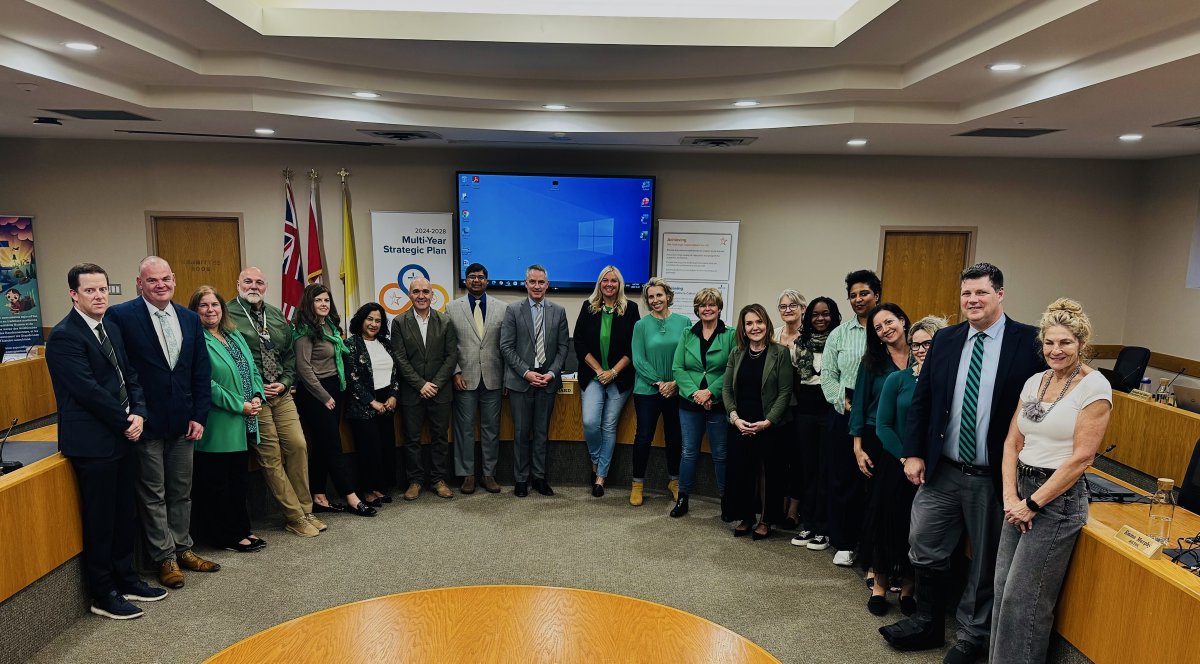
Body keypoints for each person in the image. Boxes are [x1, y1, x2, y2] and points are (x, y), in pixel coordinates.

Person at [881, 263, 1046, 664]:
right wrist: (915, 452)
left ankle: (973, 636)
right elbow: (924, 402)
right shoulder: (947, 339)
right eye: (966, 294)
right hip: (942, 469)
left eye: (981, 293)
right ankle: (928, 621)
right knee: (923, 543)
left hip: (992, 477)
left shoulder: (1028, 343)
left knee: (985, 558)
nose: (972, 301)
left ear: (1000, 294)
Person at [991, 299, 1111, 663]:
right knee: (1001, 590)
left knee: (1024, 599)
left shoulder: (1095, 387)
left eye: (1065, 343)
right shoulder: (1035, 380)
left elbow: (1082, 458)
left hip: (1056, 502)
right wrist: (1011, 495)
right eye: (1049, 343)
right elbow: (1013, 441)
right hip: (1021, 493)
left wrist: (1032, 504)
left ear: (1081, 345)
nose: (1056, 350)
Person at [46, 263, 165, 619]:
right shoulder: (65, 336)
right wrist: (125, 421)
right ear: (73, 295)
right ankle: (103, 593)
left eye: (102, 290)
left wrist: (140, 413)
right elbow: (88, 392)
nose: (99, 296)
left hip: (125, 435)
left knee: (124, 515)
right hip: (93, 443)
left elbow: (130, 375)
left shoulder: (109, 325)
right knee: (101, 520)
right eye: (90, 291)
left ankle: (127, 578)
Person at [105, 256, 217, 589]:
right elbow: (120, 370)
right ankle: (164, 557)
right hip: (145, 422)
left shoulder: (188, 318)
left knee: (181, 491)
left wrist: (199, 415)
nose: (160, 285)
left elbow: (200, 370)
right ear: (140, 283)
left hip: (183, 422)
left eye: (165, 279)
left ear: (175, 279)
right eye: (152, 280)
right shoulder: (121, 316)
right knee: (153, 493)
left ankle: (183, 548)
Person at [227, 267, 322, 537]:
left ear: (265, 286)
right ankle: (294, 516)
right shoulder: (227, 314)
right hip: (254, 398)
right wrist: (258, 387)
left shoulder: (276, 314)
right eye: (247, 281)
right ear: (238, 284)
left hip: (281, 394)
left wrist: (286, 381)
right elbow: (234, 358)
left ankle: (306, 509)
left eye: (259, 282)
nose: (253, 286)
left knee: (298, 446)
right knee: (270, 458)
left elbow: (289, 355)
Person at [873, 315, 948, 616]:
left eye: (928, 343)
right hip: (896, 464)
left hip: (933, 471)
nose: (920, 349)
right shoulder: (897, 380)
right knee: (887, 524)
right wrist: (906, 459)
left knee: (916, 531)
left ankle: (907, 588)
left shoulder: (947, 383)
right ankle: (879, 585)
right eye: (916, 344)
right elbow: (883, 426)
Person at [188, 286, 267, 553]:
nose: (211, 310)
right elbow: (204, 384)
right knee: (218, 484)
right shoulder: (195, 339)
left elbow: (252, 368)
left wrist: (257, 395)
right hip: (219, 422)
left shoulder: (233, 335)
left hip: (245, 419)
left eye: (215, 305)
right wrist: (239, 405)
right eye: (204, 306)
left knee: (237, 481)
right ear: (195, 310)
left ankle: (241, 529)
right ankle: (226, 536)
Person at [849, 303, 911, 616]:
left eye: (890, 322)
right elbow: (859, 403)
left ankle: (902, 570)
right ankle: (876, 567)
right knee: (876, 506)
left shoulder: (922, 355)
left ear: (902, 321)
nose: (885, 329)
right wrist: (858, 446)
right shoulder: (872, 362)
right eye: (878, 327)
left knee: (906, 509)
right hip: (876, 437)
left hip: (910, 438)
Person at [293, 283, 376, 516]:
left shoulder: (329, 326)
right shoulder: (304, 331)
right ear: (309, 303)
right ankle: (351, 496)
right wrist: (324, 396)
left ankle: (319, 495)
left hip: (333, 387)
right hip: (315, 393)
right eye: (318, 300)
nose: (323, 304)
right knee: (333, 445)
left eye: (326, 300)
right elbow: (304, 369)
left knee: (321, 446)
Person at [820, 269, 880, 567]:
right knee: (843, 479)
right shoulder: (839, 334)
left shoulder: (887, 328)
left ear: (876, 295)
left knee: (874, 480)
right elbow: (828, 375)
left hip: (880, 414)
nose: (858, 299)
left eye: (864, 293)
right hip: (845, 411)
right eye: (853, 295)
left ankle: (870, 545)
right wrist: (839, 399)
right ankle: (843, 542)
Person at [723, 303, 793, 539]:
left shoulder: (780, 353)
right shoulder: (736, 352)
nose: (755, 327)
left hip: (769, 426)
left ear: (767, 323)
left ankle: (765, 519)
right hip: (740, 423)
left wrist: (767, 421)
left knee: (767, 474)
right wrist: (734, 418)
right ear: (743, 328)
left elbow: (785, 392)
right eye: (749, 323)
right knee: (742, 471)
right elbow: (726, 390)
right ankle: (746, 517)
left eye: (759, 322)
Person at [499, 264, 569, 498]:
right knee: (520, 433)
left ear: (547, 285)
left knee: (541, 433)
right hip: (522, 381)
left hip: (547, 380)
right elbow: (506, 347)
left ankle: (539, 478)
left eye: (541, 282)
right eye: (532, 282)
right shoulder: (513, 310)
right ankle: (520, 479)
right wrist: (526, 372)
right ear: (525, 283)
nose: (537, 286)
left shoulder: (558, 311)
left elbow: (563, 348)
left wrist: (551, 373)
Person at [670, 287, 737, 518]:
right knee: (688, 452)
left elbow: (732, 369)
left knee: (720, 453)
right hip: (690, 403)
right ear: (697, 309)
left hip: (719, 403)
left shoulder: (730, 334)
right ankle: (683, 499)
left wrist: (710, 392)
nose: (707, 309)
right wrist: (696, 394)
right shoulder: (688, 333)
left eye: (712, 305)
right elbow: (678, 367)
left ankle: (726, 502)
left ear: (719, 308)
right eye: (702, 305)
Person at [391, 277, 459, 500]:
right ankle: (415, 481)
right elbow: (400, 358)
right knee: (412, 438)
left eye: (426, 292)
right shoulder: (399, 322)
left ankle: (439, 480)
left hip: (440, 391)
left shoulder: (445, 321)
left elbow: (451, 357)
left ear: (433, 295)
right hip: (412, 392)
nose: (421, 296)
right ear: (409, 294)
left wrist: (435, 384)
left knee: (440, 437)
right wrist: (421, 384)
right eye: (416, 291)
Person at [574, 266, 640, 497]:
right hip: (593, 374)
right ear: (599, 283)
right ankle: (596, 461)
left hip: (619, 378)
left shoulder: (630, 309)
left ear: (620, 284)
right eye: (605, 280)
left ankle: (600, 477)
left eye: (614, 281)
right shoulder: (588, 307)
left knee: (608, 426)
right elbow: (579, 343)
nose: (609, 284)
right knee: (591, 422)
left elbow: (634, 346)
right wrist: (601, 370)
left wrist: (612, 372)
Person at [446, 263, 506, 494]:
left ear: (487, 280)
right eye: (472, 277)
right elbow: (448, 346)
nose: (477, 280)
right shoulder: (451, 308)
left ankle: (489, 475)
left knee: (492, 429)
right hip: (464, 378)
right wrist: (455, 372)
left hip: (494, 378)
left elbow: (506, 346)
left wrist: (507, 379)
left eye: (481, 277)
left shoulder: (502, 308)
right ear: (466, 280)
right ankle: (467, 475)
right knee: (464, 429)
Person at [629, 277, 690, 506]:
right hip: (647, 390)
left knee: (674, 437)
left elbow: (687, 356)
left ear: (668, 296)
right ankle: (637, 484)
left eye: (659, 295)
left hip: (676, 389)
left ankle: (674, 481)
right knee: (643, 436)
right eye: (651, 296)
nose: (655, 300)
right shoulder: (641, 325)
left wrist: (674, 383)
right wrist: (659, 382)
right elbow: (638, 358)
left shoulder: (684, 322)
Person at [789, 296, 841, 552]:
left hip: (831, 411)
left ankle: (824, 528)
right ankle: (808, 523)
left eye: (826, 313)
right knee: (807, 469)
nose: (820, 318)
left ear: (834, 316)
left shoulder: (840, 343)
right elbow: (796, 381)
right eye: (815, 314)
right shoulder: (800, 344)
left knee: (826, 469)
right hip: (805, 412)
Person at [345, 302, 400, 506]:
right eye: (370, 319)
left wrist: (394, 394)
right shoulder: (351, 344)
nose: (374, 324)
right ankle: (367, 491)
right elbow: (352, 378)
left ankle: (379, 487)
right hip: (362, 405)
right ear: (361, 320)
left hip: (387, 403)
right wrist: (372, 402)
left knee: (384, 447)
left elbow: (395, 371)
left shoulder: (385, 343)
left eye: (378, 320)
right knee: (368, 449)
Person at [773, 289, 806, 529]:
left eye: (793, 305)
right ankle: (780, 503)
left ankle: (794, 507)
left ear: (803, 308)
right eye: (783, 306)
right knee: (780, 457)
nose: (788, 310)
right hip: (777, 405)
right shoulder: (773, 335)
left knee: (798, 458)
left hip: (803, 405)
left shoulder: (809, 336)